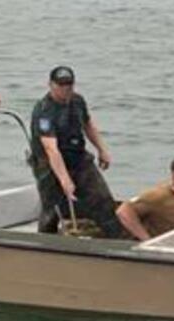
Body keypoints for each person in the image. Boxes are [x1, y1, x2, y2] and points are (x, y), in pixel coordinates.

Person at [30, 65, 122, 237]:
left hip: (78, 157)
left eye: (69, 85)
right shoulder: (44, 110)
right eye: (61, 86)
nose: (66, 90)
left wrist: (102, 149)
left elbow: (88, 124)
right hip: (51, 164)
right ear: (51, 85)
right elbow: (51, 149)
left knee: (102, 199)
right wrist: (64, 179)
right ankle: (44, 243)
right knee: (53, 208)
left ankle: (116, 238)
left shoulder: (77, 101)